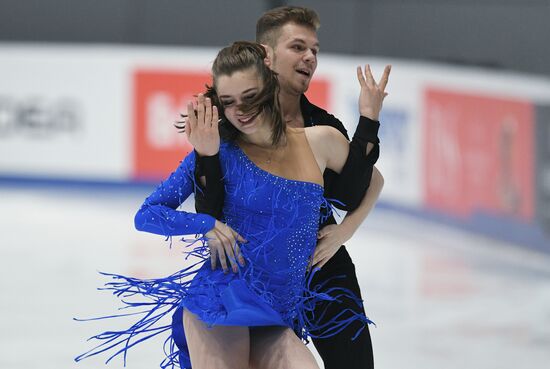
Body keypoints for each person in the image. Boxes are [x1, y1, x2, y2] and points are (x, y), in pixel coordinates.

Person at [76, 41, 388, 369]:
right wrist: (207, 225)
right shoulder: (220, 152)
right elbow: (148, 214)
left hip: (277, 315)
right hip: (223, 303)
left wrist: (345, 232)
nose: (240, 110)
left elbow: (372, 180)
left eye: (250, 97)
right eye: (229, 102)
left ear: (270, 86)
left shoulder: (320, 140)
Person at [192, 6, 389, 369]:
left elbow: (361, 186)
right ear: (266, 55)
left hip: (320, 265)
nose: (310, 57)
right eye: (298, 47)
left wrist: (344, 231)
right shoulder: (231, 123)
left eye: (314, 49)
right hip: (255, 271)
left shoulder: (320, 125)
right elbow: (209, 206)